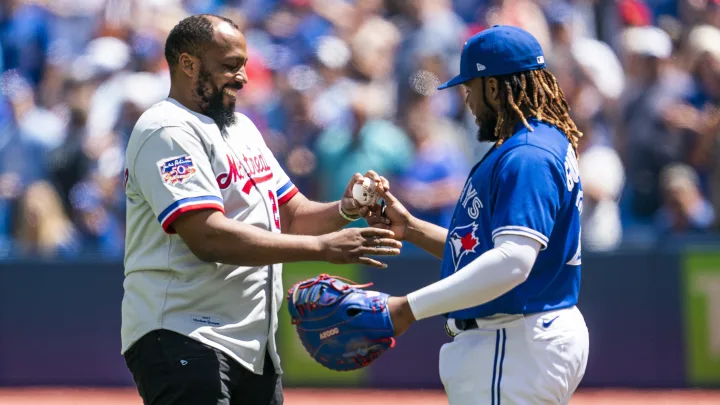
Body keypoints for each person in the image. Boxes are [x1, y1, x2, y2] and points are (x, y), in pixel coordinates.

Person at [120, 14, 402, 405]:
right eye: (230, 65)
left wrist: (349, 205)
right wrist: (323, 249)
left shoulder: (241, 128)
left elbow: (293, 215)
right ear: (188, 64)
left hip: (251, 346)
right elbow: (207, 236)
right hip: (184, 335)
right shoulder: (168, 129)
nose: (243, 77)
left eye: (243, 65)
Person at [370, 25, 590, 404]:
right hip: (521, 337)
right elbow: (492, 252)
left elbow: (512, 263)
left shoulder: (527, 155)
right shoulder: (538, 142)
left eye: (469, 88)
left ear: (492, 87)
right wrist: (412, 229)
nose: (466, 101)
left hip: (512, 340)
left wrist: (408, 308)